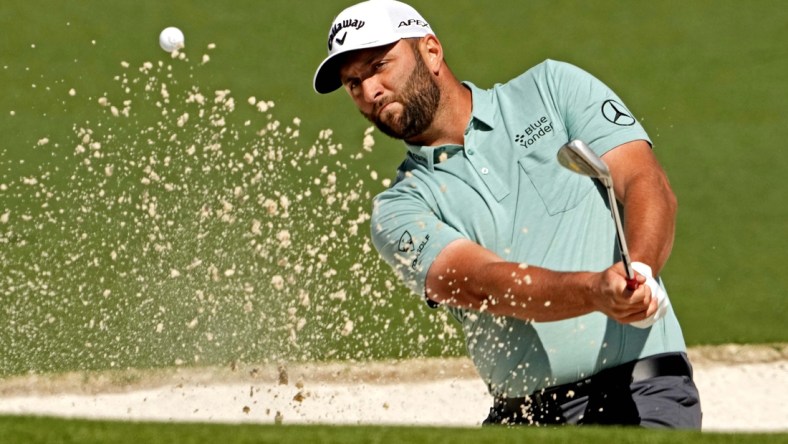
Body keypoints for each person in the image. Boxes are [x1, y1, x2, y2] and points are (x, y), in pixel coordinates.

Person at [313, 0, 702, 428]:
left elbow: (646, 182)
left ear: (431, 51)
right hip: (523, 419)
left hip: (641, 393)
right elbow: (487, 286)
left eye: (380, 65)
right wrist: (594, 291)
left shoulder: (552, 89)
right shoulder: (399, 209)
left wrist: (640, 272)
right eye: (354, 84)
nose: (370, 91)